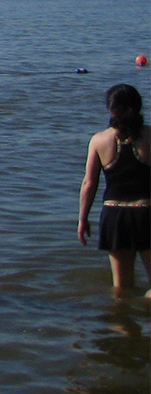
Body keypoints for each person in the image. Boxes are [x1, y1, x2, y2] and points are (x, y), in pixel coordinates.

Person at [77, 84, 151, 295]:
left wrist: (83, 219)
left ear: (111, 110)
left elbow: (88, 183)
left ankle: (124, 323)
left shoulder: (99, 140)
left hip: (115, 216)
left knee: (121, 289)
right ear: (139, 107)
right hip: (146, 213)